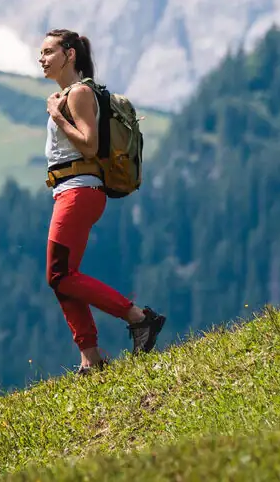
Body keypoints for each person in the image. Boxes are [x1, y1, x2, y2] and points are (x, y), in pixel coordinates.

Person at [38, 29, 166, 373]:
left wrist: (58, 115)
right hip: (71, 191)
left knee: (59, 275)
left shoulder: (77, 94)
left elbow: (90, 145)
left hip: (79, 191)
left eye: (49, 51)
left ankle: (138, 317)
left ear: (70, 55)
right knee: (62, 275)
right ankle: (90, 358)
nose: (41, 58)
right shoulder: (68, 93)